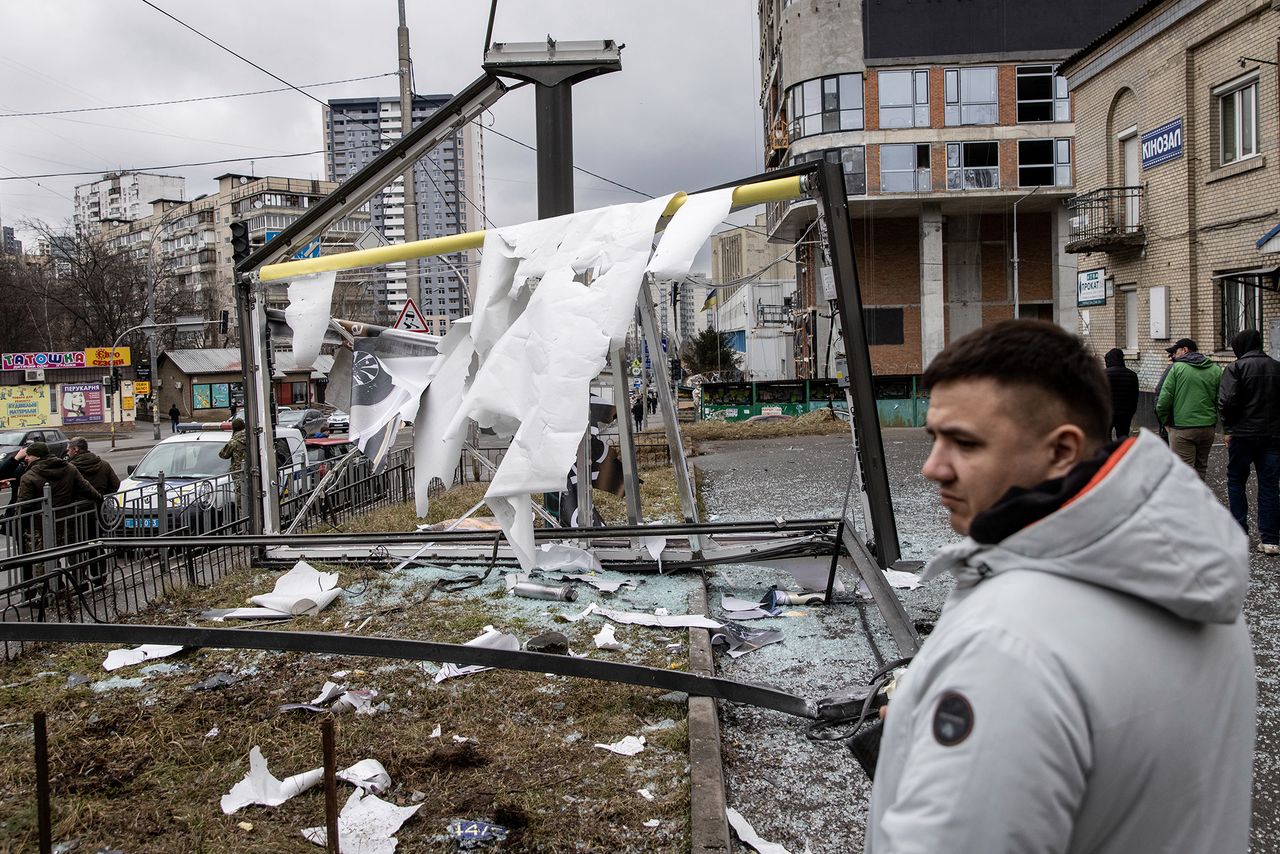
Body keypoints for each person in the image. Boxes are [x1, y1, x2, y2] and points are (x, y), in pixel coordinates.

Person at [867, 320, 1254, 854]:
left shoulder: (1006, 647)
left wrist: (940, 736)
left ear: (1063, 450)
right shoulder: (1195, 582)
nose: (933, 467)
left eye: (965, 443)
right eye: (934, 438)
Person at [1219, 328, 1280, 555]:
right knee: (1269, 485)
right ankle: (1271, 539)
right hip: (1272, 436)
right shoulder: (1276, 367)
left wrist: (1229, 427)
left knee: (1236, 480)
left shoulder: (1235, 368)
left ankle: (1239, 534)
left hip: (1242, 435)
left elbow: (1226, 402)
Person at [1154, 337, 1222, 479]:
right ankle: (1199, 500)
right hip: (1207, 427)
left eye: (1175, 351)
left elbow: (1164, 400)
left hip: (1182, 428)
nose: (1174, 355)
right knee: (1201, 469)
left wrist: (1165, 421)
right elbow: (1221, 400)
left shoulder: (1177, 368)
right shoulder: (1215, 369)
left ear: (1185, 350)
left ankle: (1187, 501)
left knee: (1183, 473)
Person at [1102, 347, 1138, 439]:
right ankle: (1123, 452)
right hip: (1125, 413)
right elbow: (1135, 396)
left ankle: (1110, 452)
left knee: (1106, 436)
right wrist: (1132, 411)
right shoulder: (1132, 375)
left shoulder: (1103, 374)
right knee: (1123, 436)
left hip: (1108, 412)